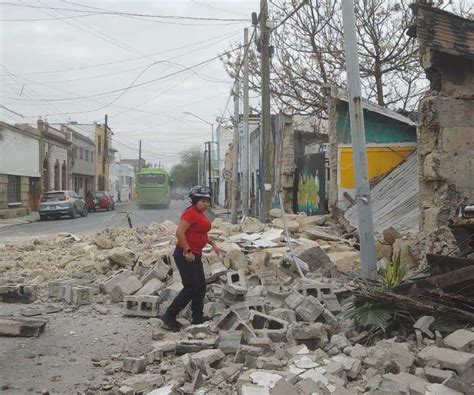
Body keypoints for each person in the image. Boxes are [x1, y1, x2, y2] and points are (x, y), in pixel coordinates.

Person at [161, 185, 219, 331]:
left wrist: (212, 243)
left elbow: (200, 234)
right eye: (203, 201)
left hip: (195, 254)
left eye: (208, 201)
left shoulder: (200, 214)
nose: (206, 204)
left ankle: (197, 317)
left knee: (200, 287)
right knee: (191, 286)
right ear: (195, 200)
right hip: (185, 254)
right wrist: (187, 251)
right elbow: (179, 233)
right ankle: (169, 316)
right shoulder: (191, 213)